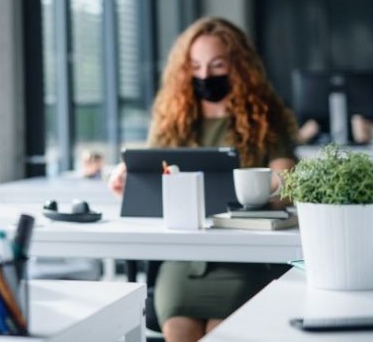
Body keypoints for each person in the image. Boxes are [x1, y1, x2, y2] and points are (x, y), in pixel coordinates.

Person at [108, 17, 297, 342]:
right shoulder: (172, 120)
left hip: (246, 257)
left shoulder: (267, 119)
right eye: (195, 66)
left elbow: (287, 183)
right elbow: (152, 175)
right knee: (180, 331)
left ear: (239, 67)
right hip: (185, 258)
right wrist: (126, 178)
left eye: (217, 65)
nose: (204, 76)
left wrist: (268, 186)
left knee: (218, 333)